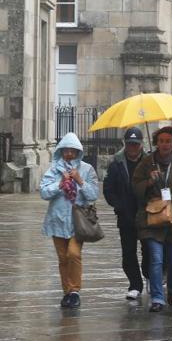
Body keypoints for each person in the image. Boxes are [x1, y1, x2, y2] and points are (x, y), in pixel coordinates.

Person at [133, 126, 172, 312]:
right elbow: (135, 188)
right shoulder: (146, 163)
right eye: (161, 141)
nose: (165, 144)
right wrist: (149, 182)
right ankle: (157, 298)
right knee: (156, 259)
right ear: (156, 143)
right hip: (152, 219)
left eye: (168, 141)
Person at [40, 132, 99, 308]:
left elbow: (93, 194)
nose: (70, 154)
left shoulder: (87, 169)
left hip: (77, 221)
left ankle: (74, 291)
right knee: (62, 258)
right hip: (57, 219)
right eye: (66, 150)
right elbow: (44, 192)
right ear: (61, 151)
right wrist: (59, 184)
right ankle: (67, 292)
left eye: (73, 151)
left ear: (78, 152)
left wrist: (80, 181)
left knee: (73, 253)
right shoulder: (53, 170)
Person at [103, 127, 149, 300]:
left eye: (136, 144)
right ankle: (135, 284)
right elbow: (108, 189)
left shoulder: (149, 161)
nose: (133, 148)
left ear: (141, 145)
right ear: (125, 144)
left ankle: (149, 276)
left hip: (146, 214)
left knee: (149, 251)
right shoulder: (116, 163)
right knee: (128, 252)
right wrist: (118, 205)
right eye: (130, 144)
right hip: (126, 216)